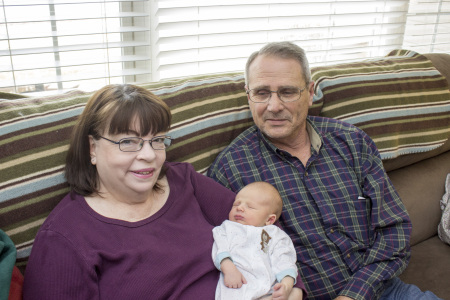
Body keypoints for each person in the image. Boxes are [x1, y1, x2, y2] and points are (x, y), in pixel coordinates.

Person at [22, 84, 306, 300]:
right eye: (128, 142)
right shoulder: (64, 239)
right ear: (93, 148)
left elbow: (263, 227)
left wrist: (293, 289)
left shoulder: (184, 180)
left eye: (157, 140)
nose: (149, 155)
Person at [208, 42, 443, 300]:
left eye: (287, 92)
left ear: (309, 92)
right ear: (248, 94)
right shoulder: (230, 169)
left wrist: (354, 294)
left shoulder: (352, 142)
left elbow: (394, 229)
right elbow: (219, 249)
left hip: (383, 290)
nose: (273, 106)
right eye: (262, 92)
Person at [212, 181, 300, 300]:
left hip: (268, 291)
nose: (240, 208)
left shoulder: (276, 235)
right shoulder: (226, 228)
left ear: (269, 220)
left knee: (294, 294)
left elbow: (285, 260)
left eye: (250, 206)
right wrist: (228, 268)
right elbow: (220, 248)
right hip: (237, 289)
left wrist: (286, 285)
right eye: (236, 204)